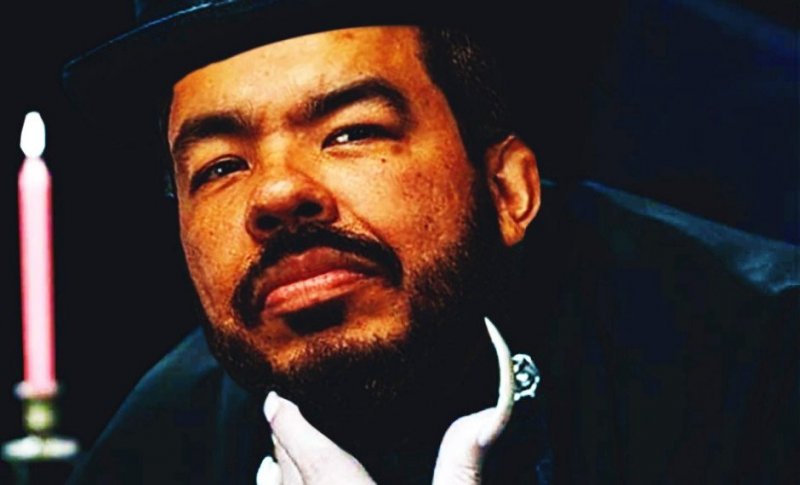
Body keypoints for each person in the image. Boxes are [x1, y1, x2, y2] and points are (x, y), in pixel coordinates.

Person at [62, 1, 798, 484]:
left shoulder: (759, 361)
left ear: (508, 190)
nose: (276, 193)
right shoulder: (159, 443)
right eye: (220, 167)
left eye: (350, 132)